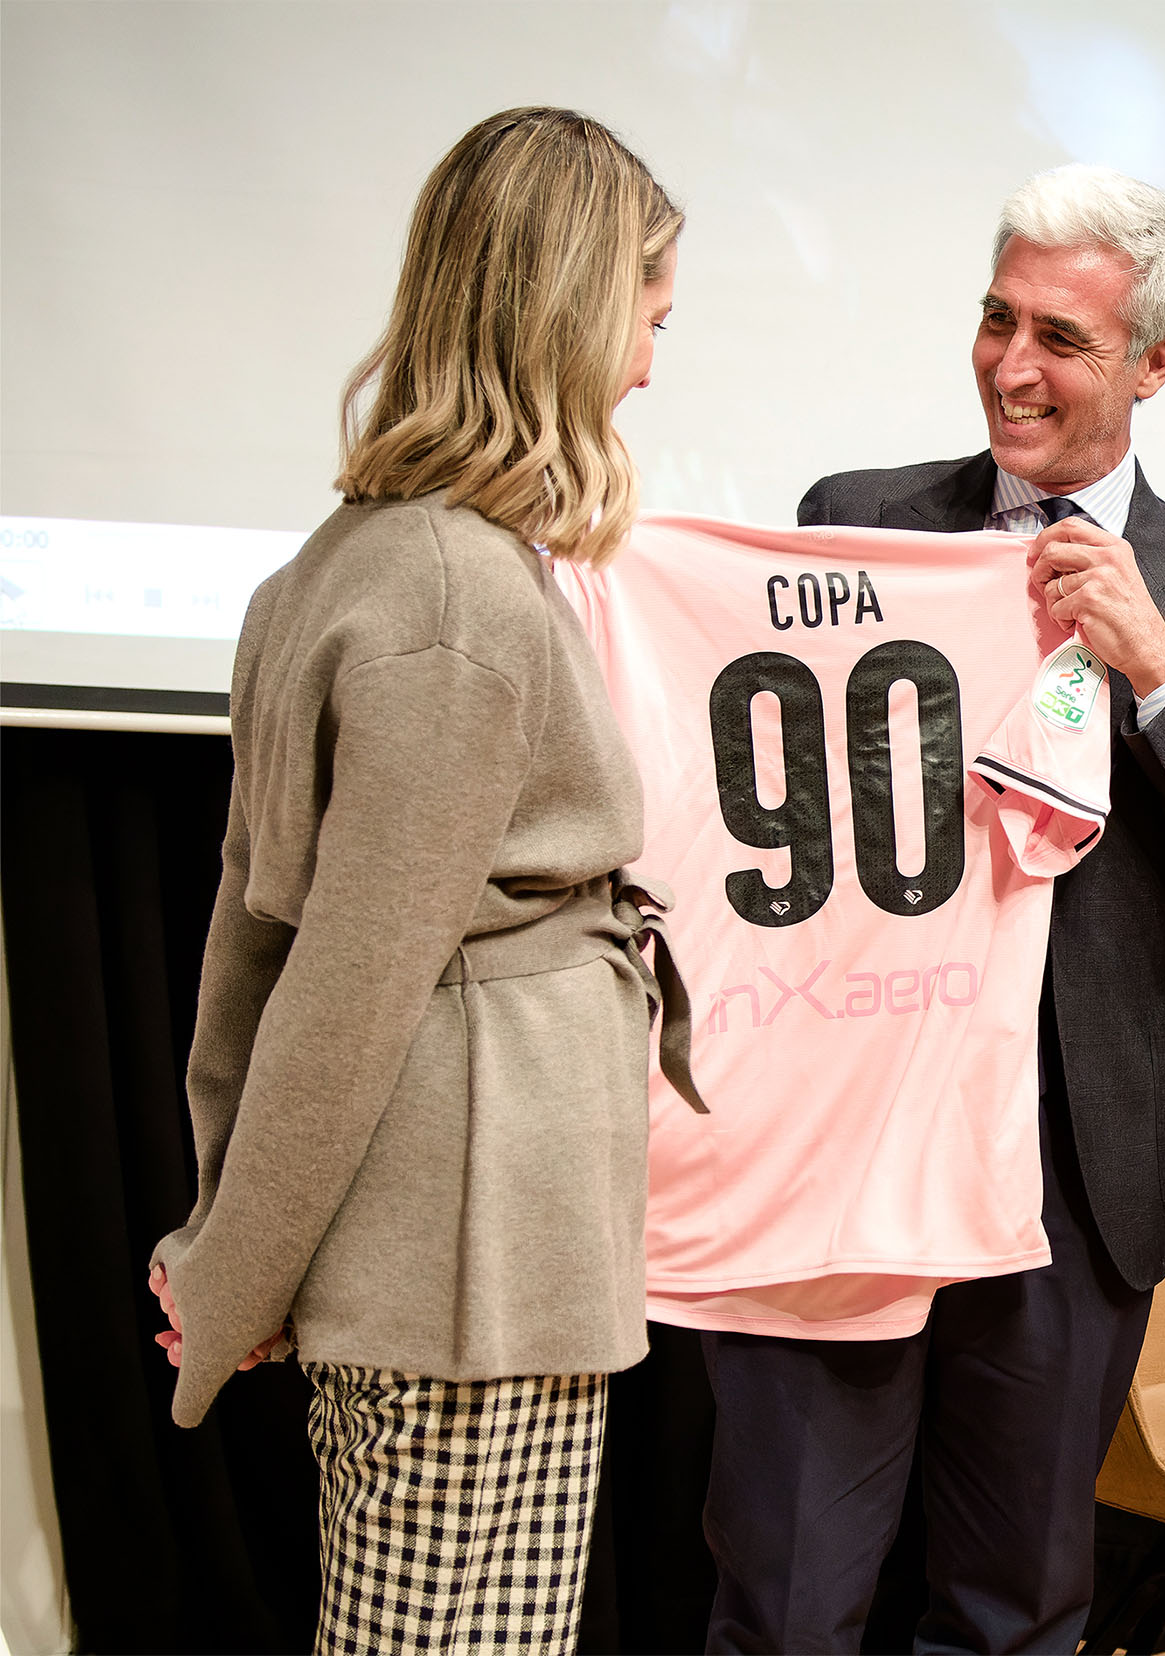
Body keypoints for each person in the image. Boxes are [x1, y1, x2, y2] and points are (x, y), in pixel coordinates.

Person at [713, 164, 1165, 1652]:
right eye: (998, 319)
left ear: (1155, 363)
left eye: (1061, 337)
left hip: (1068, 1159)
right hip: (848, 1136)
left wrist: (1157, 673)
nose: (1011, 365)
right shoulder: (858, 521)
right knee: (788, 1597)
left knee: (1013, 1613)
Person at [146, 107, 689, 1651]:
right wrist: (237, 1272)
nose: (648, 370)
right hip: (472, 1266)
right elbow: (345, 985)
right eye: (647, 322)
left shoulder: (337, 565)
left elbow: (252, 946)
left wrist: (232, 1232)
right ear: (567, 312)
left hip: (463, 1254)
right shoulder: (456, 595)